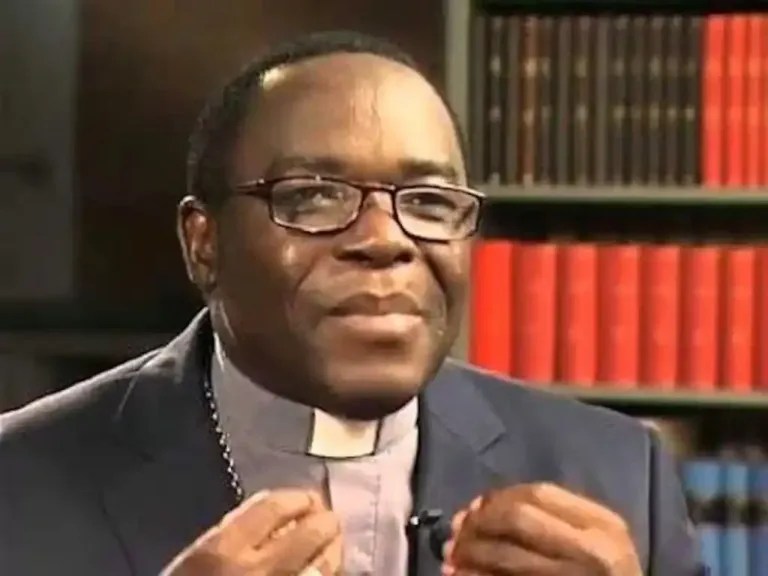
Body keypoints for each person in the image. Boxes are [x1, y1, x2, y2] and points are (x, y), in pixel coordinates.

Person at [0, 31, 701, 576]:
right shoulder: (18, 482)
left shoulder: (619, 474)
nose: (385, 241)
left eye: (428, 202)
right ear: (204, 243)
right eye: (313, 196)